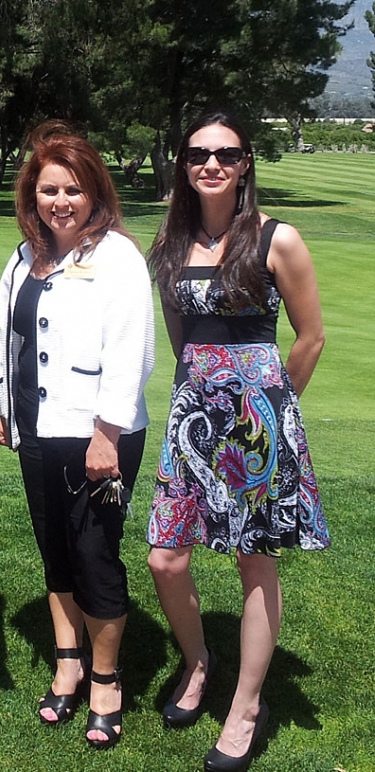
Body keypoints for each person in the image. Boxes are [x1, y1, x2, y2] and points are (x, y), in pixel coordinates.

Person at [147, 109, 328, 772]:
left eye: (226, 153)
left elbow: (310, 338)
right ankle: (198, 663)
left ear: (245, 163)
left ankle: (247, 705)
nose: (212, 164)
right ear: (184, 164)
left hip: (257, 427)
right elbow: (182, 343)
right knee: (165, 558)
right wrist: (205, 394)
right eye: (198, 154)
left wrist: (274, 413)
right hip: (193, 418)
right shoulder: (166, 248)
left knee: (255, 562)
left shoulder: (277, 239)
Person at [0, 122, 154, 750]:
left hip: (96, 436)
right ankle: (68, 660)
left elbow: (132, 353)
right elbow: (11, 336)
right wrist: (2, 403)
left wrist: (106, 434)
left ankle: (106, 679)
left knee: (95, 555)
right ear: (32, 194)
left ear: (94, 194)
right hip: (37, 430)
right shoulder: (23, 256)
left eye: (73, 190)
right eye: (48, 189)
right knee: (55, 549)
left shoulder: (116, 257)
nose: (60, 201)